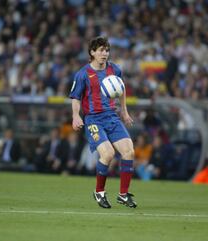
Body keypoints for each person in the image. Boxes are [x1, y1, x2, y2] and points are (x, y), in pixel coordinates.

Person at [69, 36, 137, 208]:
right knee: (107, 154)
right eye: (101, 50)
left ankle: (123, 195)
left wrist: (124, 111)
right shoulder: (83, 74)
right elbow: (76, 98)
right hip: (93, 119)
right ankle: (99, 192)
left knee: (129, 151)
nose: (104, 53)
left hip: (112, 117)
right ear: (92, 52)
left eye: (106, 50)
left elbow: (121, 90)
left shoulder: (115, 69)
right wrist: (76, 116)